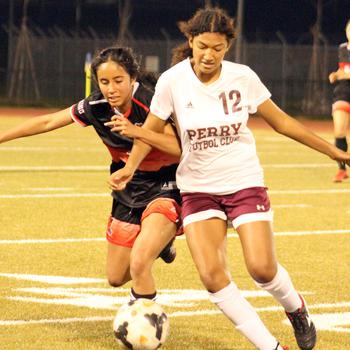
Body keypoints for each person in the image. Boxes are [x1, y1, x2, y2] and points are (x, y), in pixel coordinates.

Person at [108, 7, 350, 350]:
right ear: (191, 41)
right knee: (212, 276)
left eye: (217, 48)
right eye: (203, 46)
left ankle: (296, 308)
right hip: (197, 189)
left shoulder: (243, 77)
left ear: (227, 47)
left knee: (262, 269)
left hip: (243, 182)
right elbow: (150, 131)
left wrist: (331, 150)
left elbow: (281, 122)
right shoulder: (172, 81)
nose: (209, 55)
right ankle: (271, 347)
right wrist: (130, 168)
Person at [0, 46, 182, 302]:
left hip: (167, 183)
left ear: (133, 79)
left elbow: (179, 148)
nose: (111, 88)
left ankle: (146, 317)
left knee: (140, 261)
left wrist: (137, 131)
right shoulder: (96, 106)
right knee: (116, 276)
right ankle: (161, 245)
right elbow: (48, 121)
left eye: (118, 81)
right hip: (128, 187)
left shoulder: (153, 102)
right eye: (104, 82)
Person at [329, 19, 350, 182]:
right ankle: (342, 170)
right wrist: (336, 74)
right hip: (343, 92)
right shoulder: (342, 48)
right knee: (339, 132)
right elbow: (343, 69)